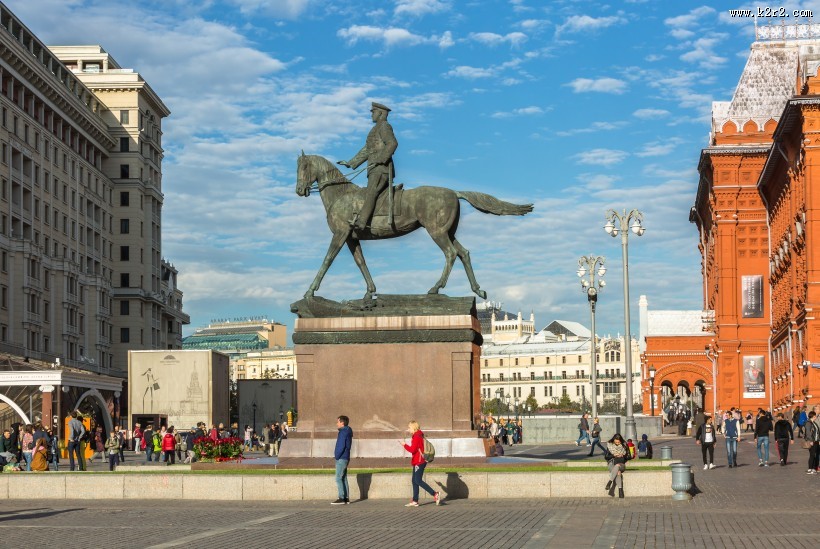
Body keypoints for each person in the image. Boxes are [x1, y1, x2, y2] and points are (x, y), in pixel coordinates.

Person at [337, 102, 398, 231]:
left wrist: (381, 158)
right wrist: (351, 163)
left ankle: (361, 222)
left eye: (373, 112)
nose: (371, 115)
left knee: (371, 192)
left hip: (381, 168)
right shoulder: (376, 128)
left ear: (380, 113)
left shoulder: (384, 126)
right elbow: (367, 150)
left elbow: (392, 143)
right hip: (374, 168)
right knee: (370, 193)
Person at [399, 420, 441, 507]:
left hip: (419, 461)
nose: (408, 429)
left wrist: (404, 445)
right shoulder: (419, 435)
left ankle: (435, 494)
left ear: (413, 427)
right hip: (417, 461)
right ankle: (415, 500)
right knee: (414, 480)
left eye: (409, 427)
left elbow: (412, 450)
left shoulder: (416, 437)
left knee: (418, 480)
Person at [332, 415, 352, 505]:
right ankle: (346, 498)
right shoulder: (347, 431)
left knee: (338, 478)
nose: (337, 423)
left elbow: (341, 445)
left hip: (341, 457)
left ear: (342, 423)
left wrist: (337, 456)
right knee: (344, 477)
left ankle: (341, 498)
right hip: (345, 457)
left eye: (338, 422)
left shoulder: (343, 432)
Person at [605, 433, 629, 498]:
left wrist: (623, 456)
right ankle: (620, 492)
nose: (617, 443)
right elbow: (606, 457)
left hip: (621, 464)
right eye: (616, 442)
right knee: (618, 472)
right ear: (613, 440)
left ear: (621, 441)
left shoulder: (624, 445)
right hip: (612, 463)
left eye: (618, 442)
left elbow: (629, 456)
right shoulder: (610, 445)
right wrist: (613, 455)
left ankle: (610, 482)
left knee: (618, 466)